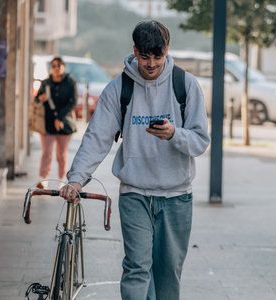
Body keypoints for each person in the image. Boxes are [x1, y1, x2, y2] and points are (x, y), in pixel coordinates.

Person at [60, 20, 210, 300]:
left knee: (168, 273)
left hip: (177, 197)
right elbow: (96, 137)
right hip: (135, 194)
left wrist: (174, 134)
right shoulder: (120, 88)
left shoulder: (185, 84)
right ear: (134, 51)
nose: (150, 63)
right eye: (144, 56)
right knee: (137, 267)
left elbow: (200, 141)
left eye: (157, 56)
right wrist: (77, 178)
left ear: (167, 50)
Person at [35, 57, 77, 188]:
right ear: (51, 68)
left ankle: (62, 179)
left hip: (64, 123)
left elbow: (73, 102)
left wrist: (59, 117)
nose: (56, 68)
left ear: (63, 67)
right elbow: (37, 99)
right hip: (48, 123)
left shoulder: (70, 82)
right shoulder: (46, 83)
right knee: (47, 152)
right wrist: (41, 98)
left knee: (61, 154)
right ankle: (43, 179)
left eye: (59, 65)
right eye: (54, 66)